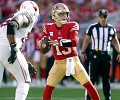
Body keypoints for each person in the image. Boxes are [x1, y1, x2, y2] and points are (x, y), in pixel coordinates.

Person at [37, 3, 100, 100]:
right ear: (54, 15)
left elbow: (74, 42)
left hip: (73, 61)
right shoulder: (48, 27)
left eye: (65, 14)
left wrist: (59, 42)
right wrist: (40, 43)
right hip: (58, 63)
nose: (64, 16)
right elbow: (43, 40)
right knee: (48, 88)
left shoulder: (72, 25)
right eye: (61, 14)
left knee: (88, 85)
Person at [0, 1, 39, 100]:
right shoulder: (27, 15)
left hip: (3, 46)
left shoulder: (11, 17)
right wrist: (13, 48)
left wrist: (25, 63)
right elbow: (12, 25)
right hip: (6, 47)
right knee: (25, 81)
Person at [81, 9, 120, 100]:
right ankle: (88, 97)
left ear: (107, 17)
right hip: (95, 55)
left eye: (105, 16)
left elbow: (115, 41)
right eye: (101, 16)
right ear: (98, 17)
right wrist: (82, 52)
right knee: (92, 78)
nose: (103, 18)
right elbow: (86, 39)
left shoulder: (111, 28)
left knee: (106, 79)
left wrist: (119, 52)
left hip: (106, 56)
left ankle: (108, 98)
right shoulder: (92, 27)